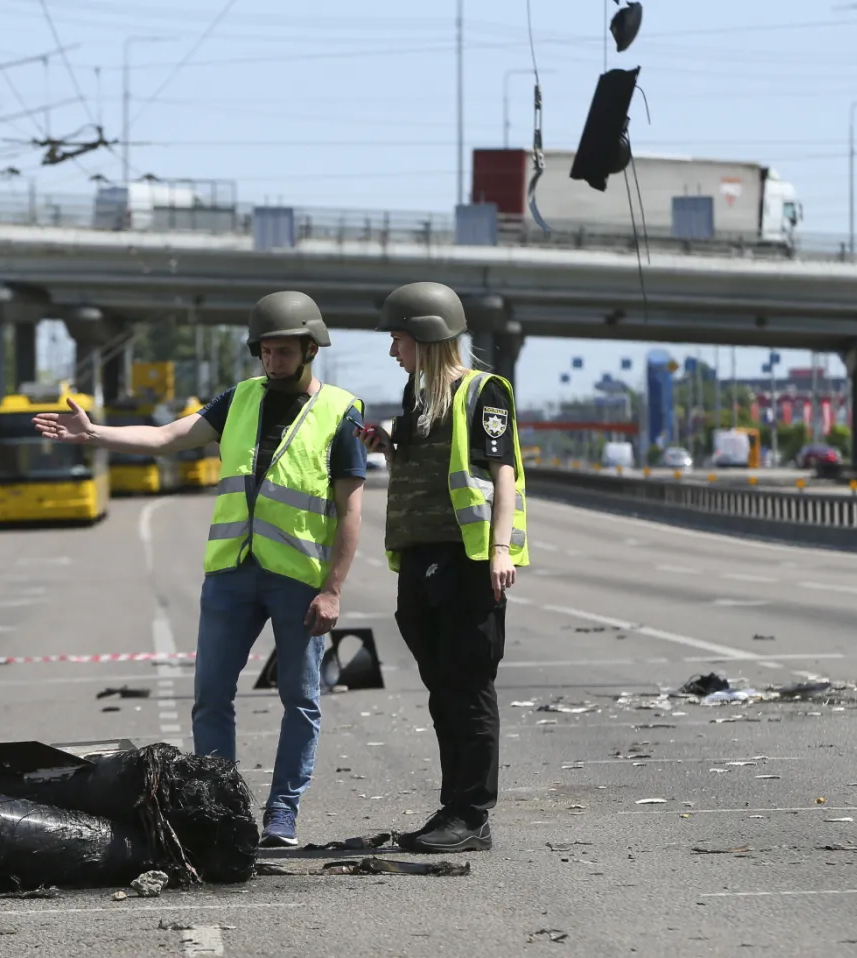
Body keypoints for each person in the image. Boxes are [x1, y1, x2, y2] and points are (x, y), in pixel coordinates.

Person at [33, 290, 367, 847]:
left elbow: (351, 508)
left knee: (300, 699)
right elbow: (167, 437)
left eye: (283, 350)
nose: (272, 360)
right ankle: (220, 808)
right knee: (211, 695)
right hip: (232, 574)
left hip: (297, 577)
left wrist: (333, 589)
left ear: (310, 349)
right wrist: (96, 434)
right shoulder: (237, 399)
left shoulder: (341, 411)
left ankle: (281, 812)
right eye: (265, 350)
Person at [358, 281, 528, 854]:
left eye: (398, 339)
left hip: (467, 558)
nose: (392, 351)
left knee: (468, 686)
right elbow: (426, 457)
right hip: (421, 556)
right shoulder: (417, 395)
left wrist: (500, 550)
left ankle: (472, 814)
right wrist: (386, 441)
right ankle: (453, 807)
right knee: (441, 690)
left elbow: (501, 472)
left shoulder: (484, 393)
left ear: (426, 336)